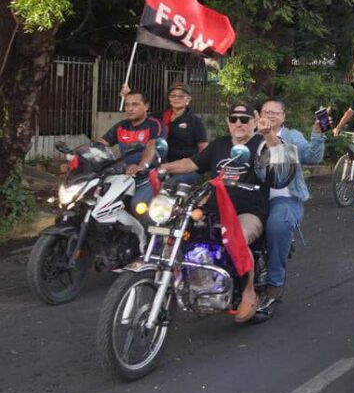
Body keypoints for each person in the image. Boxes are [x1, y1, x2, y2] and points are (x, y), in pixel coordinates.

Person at [159, 103, 280, 322]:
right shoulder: (219, 145)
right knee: (174, 232)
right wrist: (161, 168)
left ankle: (248, 292)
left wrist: (269, 134)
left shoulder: (261, 144)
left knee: (237, 239)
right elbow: (191, 163)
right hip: (214, 207)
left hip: (248, 210)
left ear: (254, 122)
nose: (238, 124)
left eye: (244, 120)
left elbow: (279, 159)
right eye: (234, 119)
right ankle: (182, 284)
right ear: (227, 122)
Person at [257, 98, 327, 315]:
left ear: (283, 117)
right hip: (253, 198)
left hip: (286, 198)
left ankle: (274, 284)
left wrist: (317, 133)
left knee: (278, 224)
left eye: (274, 112)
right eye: (265, 111)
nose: (269, 116)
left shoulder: (291, 137)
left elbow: (312, 157)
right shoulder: (249, 134)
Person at [97, 89, 164, 212]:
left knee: (136, 205)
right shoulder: (121, 126)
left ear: (146, 107)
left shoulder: (154, 124)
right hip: (124, 177)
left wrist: (141, 166)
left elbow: (151, 146)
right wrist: (78, 157)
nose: (130, 108)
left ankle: (148, 231)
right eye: (127, 105)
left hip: (148, 177)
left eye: (135, 104)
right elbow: (100, 144)